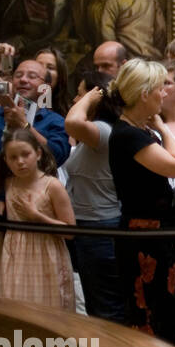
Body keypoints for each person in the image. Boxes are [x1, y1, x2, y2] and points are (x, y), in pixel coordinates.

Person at [106, 59, 175, 346]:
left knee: (165, 309)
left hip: (157, 234)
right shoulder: (128, 134)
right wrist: (165, 130)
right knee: (150, 311)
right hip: (145, 237)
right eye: (159, 88)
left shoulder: (138, 130)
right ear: (144, 94)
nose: (164, 93)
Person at [0, 128, 76, 347]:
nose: (19, 162)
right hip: (15, 259)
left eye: (25, 155)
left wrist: (37, 216)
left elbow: (70, 231)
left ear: (38, 154)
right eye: (12, 157)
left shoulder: (52, 185)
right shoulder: (6, 183)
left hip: (47, 259)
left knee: (49, 326)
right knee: (10, 326)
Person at [62, 73, 125, 325]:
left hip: (100, 229)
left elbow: (72, 123)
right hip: (90, 227)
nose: (76, 99)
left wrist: (90, 97)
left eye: (80, 93)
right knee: (97, 306)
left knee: (106, 310)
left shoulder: (101, 130)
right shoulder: (92, 135)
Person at [33, 48, 70, 116]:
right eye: (39, 65)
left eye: (50, 68)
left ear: (59, 76)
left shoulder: (68, 114)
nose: (43, 70)